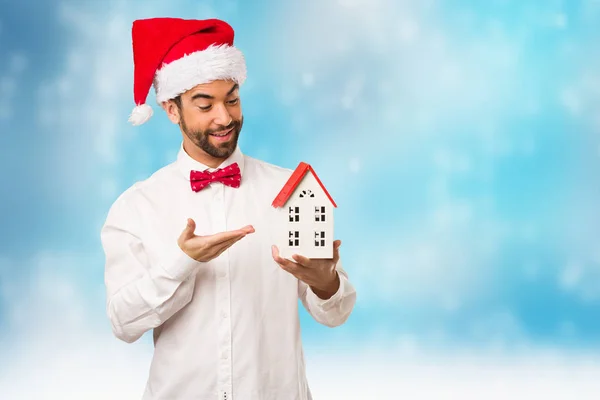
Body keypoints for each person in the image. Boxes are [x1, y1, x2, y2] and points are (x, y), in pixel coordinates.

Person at [100, 17, 357, 400]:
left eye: (232, 99)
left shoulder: (291, 191)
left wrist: (325, 282)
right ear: (172, 110)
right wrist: (181, 262)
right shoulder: (138, 206)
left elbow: (335, 314)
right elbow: (124, 323)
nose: (224, 118)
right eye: (205, 105)